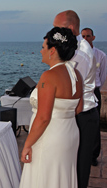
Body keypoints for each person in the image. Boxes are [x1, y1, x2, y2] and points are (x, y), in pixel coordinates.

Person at [19, 27, 83, 188]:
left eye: (43, 47)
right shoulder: (76, 75)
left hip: (50, 137)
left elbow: (43, 118)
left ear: (52, 50)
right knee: (61, 177)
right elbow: (78, 108)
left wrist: (27, 145)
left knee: (43, 178)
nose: (41, 51)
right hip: (70, 134)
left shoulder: (49, 76)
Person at [53, 10, 99, 188]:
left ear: (70, 28)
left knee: (80, 165)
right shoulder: (72, 48)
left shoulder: (80, 53)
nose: (54, 32)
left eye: (57, 28)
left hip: (83, 114)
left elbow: (71, 89)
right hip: (77, 112)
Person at [81, 27, 107, 166]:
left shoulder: (101, 55)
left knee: (95, 125)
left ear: (93, 37)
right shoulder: (78, 54)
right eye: (83, 36)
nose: (85, 39)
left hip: (94, 92)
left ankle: (93, 155)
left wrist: (95, 88)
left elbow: (102, 76)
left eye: (88, 36)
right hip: (80, 93)